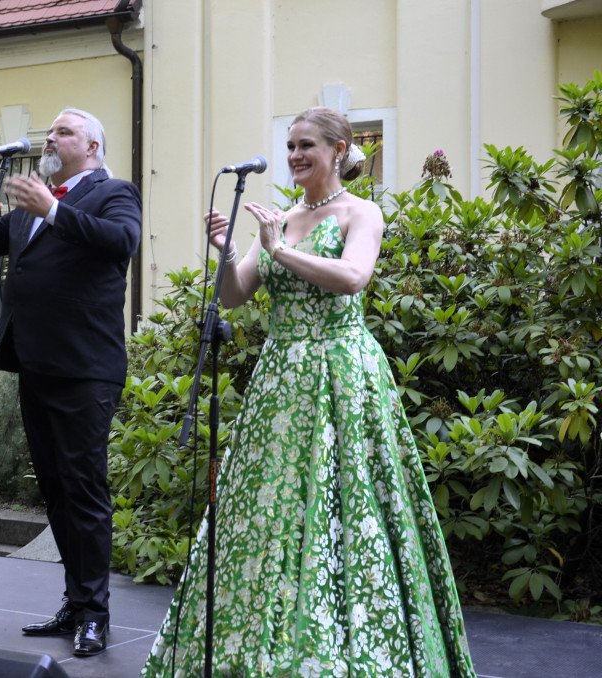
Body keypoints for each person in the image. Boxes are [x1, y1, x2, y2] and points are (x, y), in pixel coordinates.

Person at [142, 107, 477, 677]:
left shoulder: (360, 211)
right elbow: (233, 296)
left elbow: (352, 278)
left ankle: (349, 647)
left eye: (306, 146)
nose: (295, 155)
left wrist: (279, 250)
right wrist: (225, 249)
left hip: (341, 372)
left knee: (342, 505)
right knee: (269, 510)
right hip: (280, 380)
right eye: (290, 145)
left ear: (339, 149)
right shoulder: (280, 219)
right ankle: (263, 645)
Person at [0, 108, 141, 656]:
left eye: (64, 131)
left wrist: (54, 209)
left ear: (94, 147)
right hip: (35, 365)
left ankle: (95, 615)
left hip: (85, 368)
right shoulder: (33, 202)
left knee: (84, 490)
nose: (50, 139)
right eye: (50, 132)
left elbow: (119, 242)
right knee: (55, 490)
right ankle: (74, 600)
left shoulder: (113, 192)